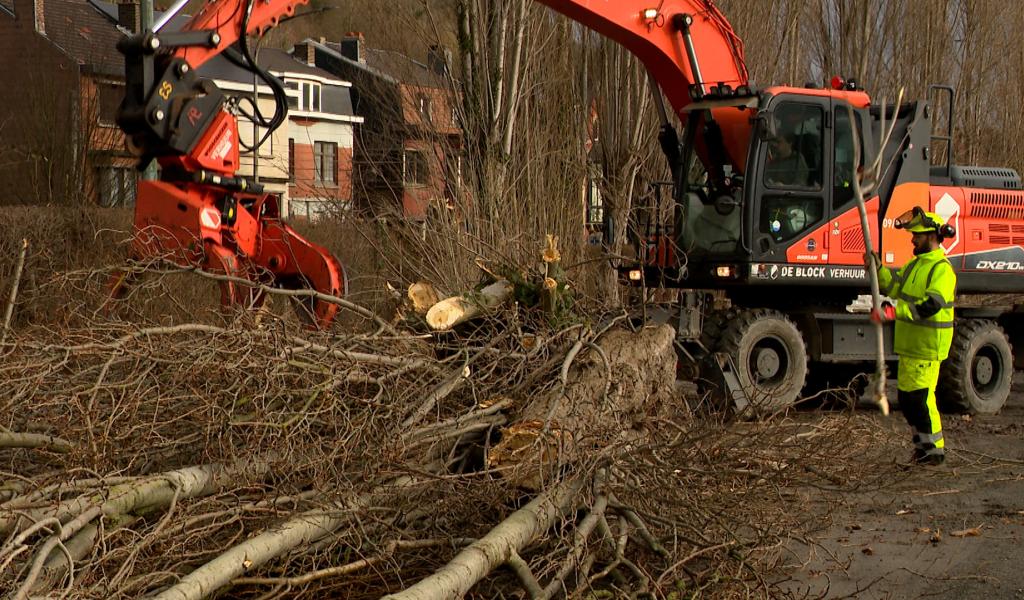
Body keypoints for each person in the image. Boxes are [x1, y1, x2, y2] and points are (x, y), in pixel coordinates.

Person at [867, 207, 957, 466]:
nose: (912, 239)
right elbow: (893, 286)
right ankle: (923, 447)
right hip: (910, 346)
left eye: (917, 235)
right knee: (908, 399)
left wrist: (893, 313)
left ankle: (934, 450)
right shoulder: (915, 265)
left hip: (928, 347)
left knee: (920, 398)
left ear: (931, 236)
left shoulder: (941, 269)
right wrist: (878, 268)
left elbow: (931, 306)